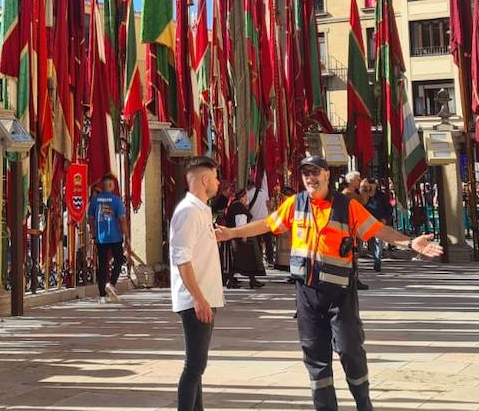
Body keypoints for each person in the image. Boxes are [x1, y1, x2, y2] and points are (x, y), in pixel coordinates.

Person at [218, 154, 443, 411]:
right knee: (315, 358)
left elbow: (377, 229)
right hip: (308, 295)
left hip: (340, 295)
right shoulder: (295, 204)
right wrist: (232, 233)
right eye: (306, 174)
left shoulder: (347, 206)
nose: (310, 178)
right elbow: (267, 225)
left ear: (326, 174)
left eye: (315, 172)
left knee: (349, 350)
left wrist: (409, 242)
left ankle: (363, 402)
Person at [169, 156, 224, 411]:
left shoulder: (201, 209)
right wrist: (198, 298)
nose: (218, 182)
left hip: (205, 297)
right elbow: (182, 259)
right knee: (194, 366)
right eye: (214, 178)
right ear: (205, 180)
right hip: (196, 300)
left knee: (198, 366)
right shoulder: (189, 212)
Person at [89, 175, 127, 303]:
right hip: (115, 236)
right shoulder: (116, 200)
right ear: (110, 185)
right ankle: (111, 284)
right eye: (113, 184)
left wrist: (93, 233)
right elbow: (122, 219)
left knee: (102, 265)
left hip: (101, 237)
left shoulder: (94, 201)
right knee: (119, 260)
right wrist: (126, 235)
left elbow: (91, 219)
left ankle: (102, 296)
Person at [362, 180, 395, 273]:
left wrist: (385, 218)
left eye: (372, 184)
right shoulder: (364, 195)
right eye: (369, 184)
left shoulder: (382, 196)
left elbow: (388, 208)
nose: (370, 186)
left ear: (375, 185)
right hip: (368, 222)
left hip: (379, 221)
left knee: (378, 242)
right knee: (371, 242)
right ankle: (375, 257)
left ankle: (377, 261)